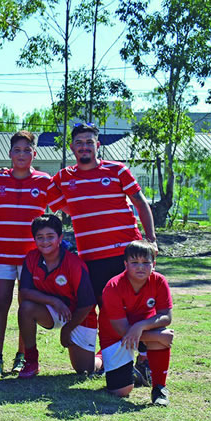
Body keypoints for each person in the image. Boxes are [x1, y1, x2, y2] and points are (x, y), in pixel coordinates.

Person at [46, 123, 157, 385]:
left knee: (135, 309)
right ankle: (117, 363)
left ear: (97, 146)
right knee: (106, 311)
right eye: (79, 142)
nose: (84, 146)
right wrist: (78, 209)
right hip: (91, 259)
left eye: (89, 142)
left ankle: (145, 360)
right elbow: (53, 200)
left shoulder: (118, 170)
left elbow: (141, 203)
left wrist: (151, 238)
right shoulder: (63, 177)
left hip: (125, 255)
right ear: (72, 147)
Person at [0, 130, 53, 377]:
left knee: (26, 306)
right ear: (10, 153)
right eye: (17, 150)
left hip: (31, 256)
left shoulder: (44, 180)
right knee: (1, 303)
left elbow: (64, 205)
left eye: (27, 150)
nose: (21, 154)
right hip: (2, 253)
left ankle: (23, 355)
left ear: (34, 153)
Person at [16, 214, 100, 379]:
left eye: (50, 236)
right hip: (52, 310)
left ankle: (101, 356)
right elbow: (24, 291)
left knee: (85, 370)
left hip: (79, 314)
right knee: (25, 308)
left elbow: (88, 303)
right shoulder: (31, 258)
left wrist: (67, 329)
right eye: (40, 237)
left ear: (60, 238)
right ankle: (31, 360)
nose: (45, 241)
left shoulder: (74, 263)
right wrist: (53, 301)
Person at [99, 240, 174, 405]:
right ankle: (132, 370)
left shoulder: (159, 281)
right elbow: (121, 330)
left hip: (139, 331)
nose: (140, 267)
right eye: (134, 262)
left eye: (146, 262)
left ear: (153, 264)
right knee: (121, 391)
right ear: (125, 264)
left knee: (161, 332)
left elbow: (166, 317)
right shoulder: (113, 286)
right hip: (115, 336)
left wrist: (140, 326)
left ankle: (159, 388)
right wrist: (157, 336)